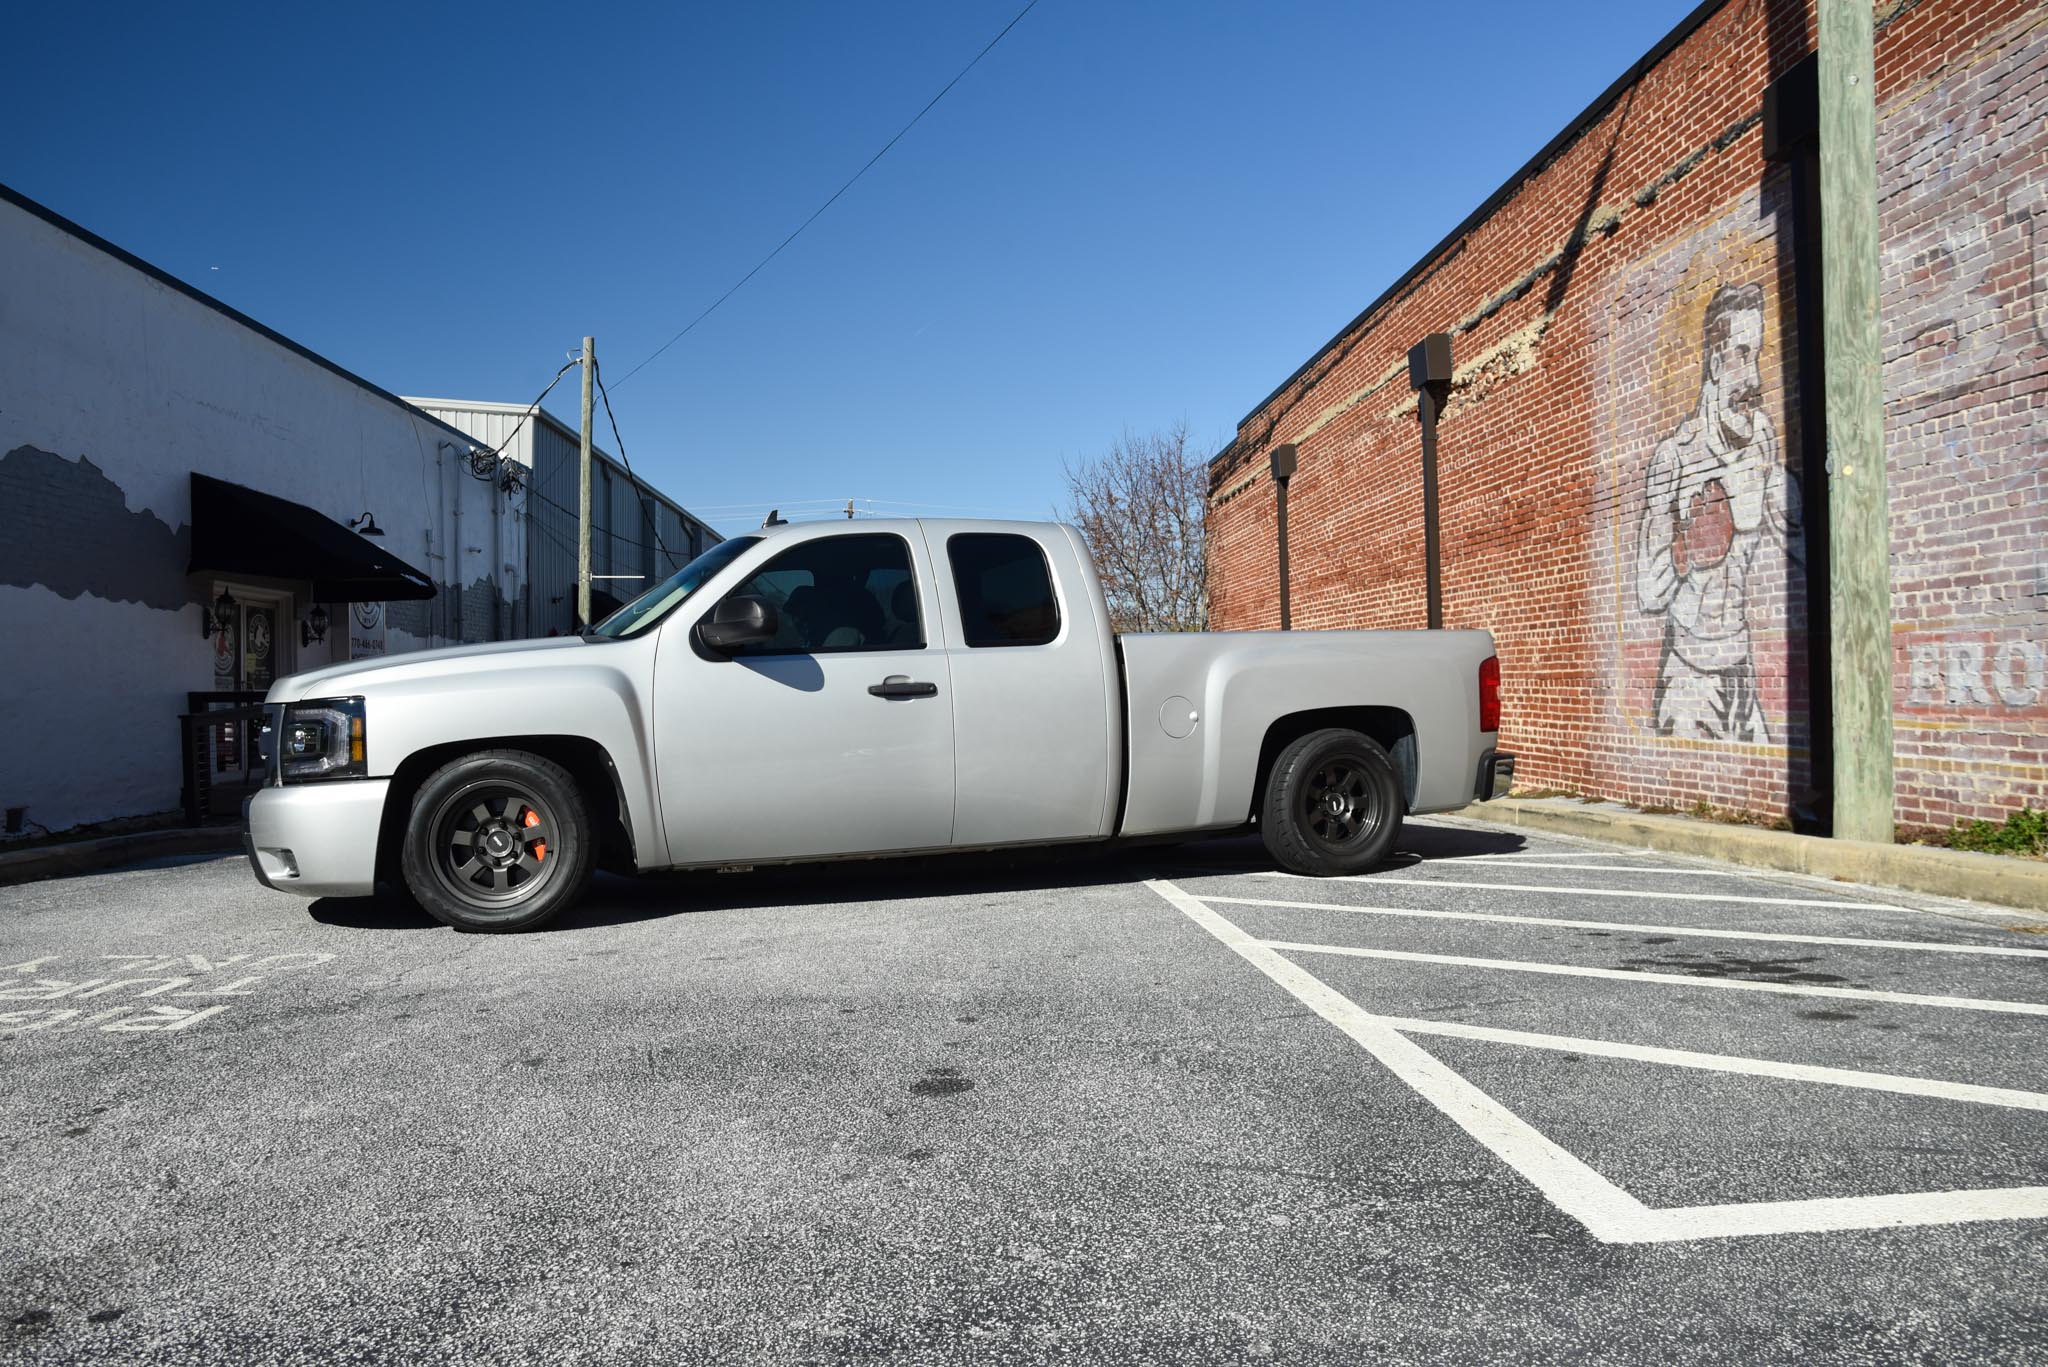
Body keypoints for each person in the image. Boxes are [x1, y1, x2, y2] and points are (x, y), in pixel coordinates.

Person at [1633, 282, 1801, 742]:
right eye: (1743, 356)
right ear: (1714, 364)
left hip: (1741, 668)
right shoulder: (1675, 457)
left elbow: (1799, 540)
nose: (1756, 379)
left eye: (1759, 355)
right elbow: (1647, 591)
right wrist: (1688, 549)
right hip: (1691, 676)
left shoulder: (1763, 437)